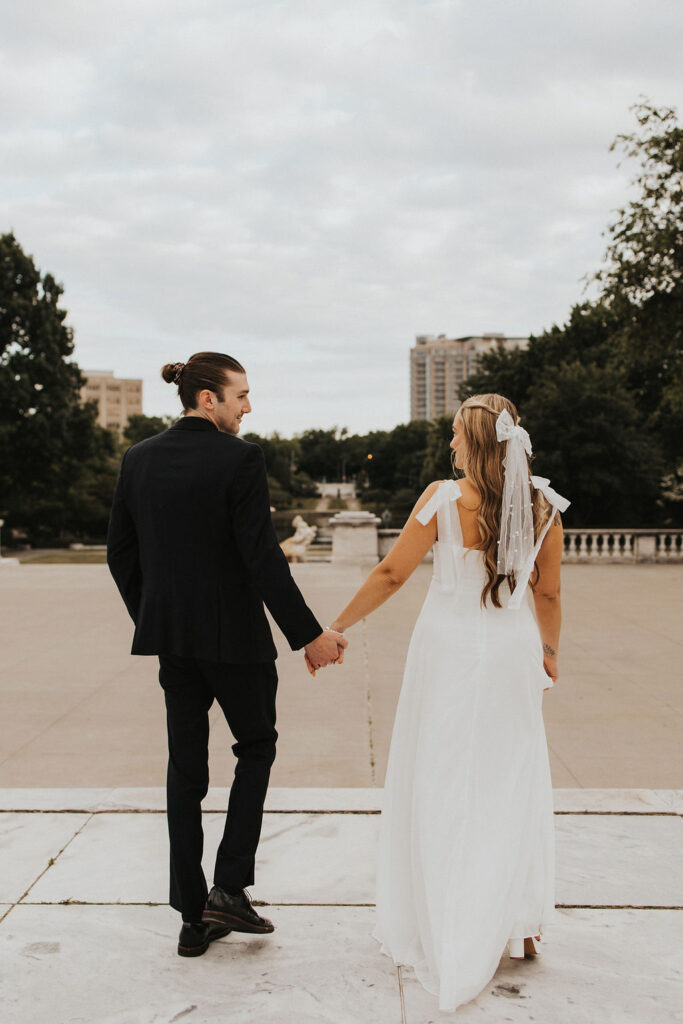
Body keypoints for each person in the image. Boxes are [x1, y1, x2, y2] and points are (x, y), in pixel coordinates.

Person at [324, 393, 569, 1013]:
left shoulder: (443, 499)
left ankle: (447, 917)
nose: (451, 444)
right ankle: (522, 918)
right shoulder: (542, 505)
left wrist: (338, 626)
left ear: (478, 442)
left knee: (442, 778)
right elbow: (549, 595)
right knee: (510, 779)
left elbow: (391, 575)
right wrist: (549, 652)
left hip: (449, 654)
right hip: (512, 653)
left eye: (458, 434)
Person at [107, 351, 346, 958]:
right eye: (241, 395)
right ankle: (230, 888)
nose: (249, 406)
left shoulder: (137, 459)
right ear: (207, 398)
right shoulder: (241, 458)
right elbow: (261, 557)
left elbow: (121, 556)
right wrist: (309, 635)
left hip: (174, 645)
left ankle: (193, 917)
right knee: (257, 750)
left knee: (185, 774)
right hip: (236, 643)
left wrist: (154, 618)